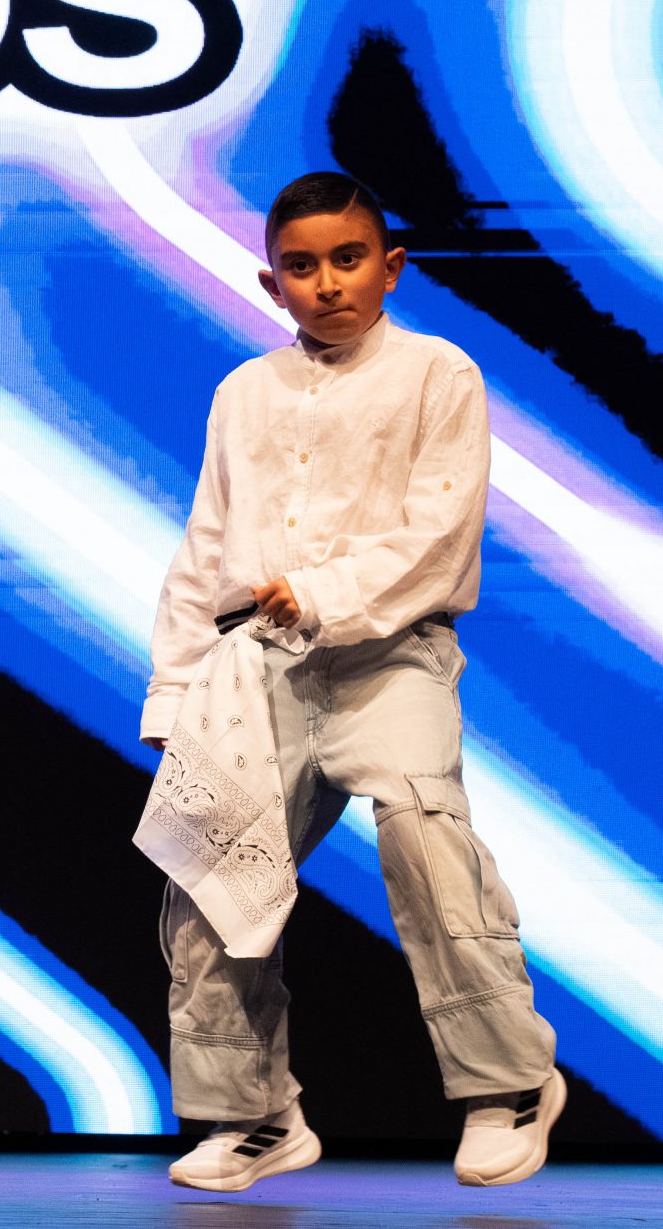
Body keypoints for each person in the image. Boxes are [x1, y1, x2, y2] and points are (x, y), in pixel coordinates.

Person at [144, 172, 563, 1192]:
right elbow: (206, 544)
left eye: (347, 258)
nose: (327, 282)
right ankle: (254, 1116)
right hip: (254, 669)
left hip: (391, 655)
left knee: (425, 840)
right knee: (212, 876)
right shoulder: (244, 391)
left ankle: (507, 1084)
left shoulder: (436, 372)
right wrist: (175, 688)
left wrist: (322, 592)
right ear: (271, 282)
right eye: (301, 265)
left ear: (390, 265)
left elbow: (439, 530)